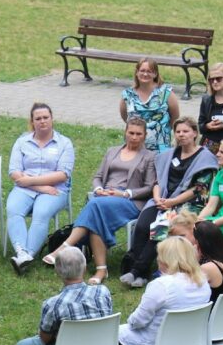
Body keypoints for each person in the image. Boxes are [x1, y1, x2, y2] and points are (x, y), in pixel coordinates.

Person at [42, 117, 156, 285]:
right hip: (104, 198)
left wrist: (124, 194)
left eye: (138, 134)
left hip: (129, 201)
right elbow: (98, 177)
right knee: (97, 213)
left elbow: (149, 187)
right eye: (131, 133)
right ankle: (101, 270)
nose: (134, 137)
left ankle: (65, 247)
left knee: (95, 205)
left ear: (145, 136)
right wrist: (98, 189)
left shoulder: (150, 157)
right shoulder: (112, 151)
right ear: (125, 132)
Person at [121, 118, 217, 288]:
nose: (181, 135)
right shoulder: (167, 155)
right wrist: (158, 198)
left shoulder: (205, 158)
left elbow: (199, 189)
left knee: (159, 229)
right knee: (143, 226)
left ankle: (138, 271)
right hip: (162, 200)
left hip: (188, 204)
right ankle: (138, 270)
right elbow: (156, 181)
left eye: (185, 131)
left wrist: (173, 202)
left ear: (195, 133)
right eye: (178, 131)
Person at [119, 236, 211, 345]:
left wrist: (130, 321)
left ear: (167, 259)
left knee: (114, 337)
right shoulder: (203, 281)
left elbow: (139, 320)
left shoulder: (162, 285)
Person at [7, 103, 75, 274]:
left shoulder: (64, 143)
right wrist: (40, 187)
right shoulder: (22, 142)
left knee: (41, 213)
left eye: (46, 117)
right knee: (13, 209)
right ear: (32, 122)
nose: (42, 121)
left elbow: (62, 175)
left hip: (55, 190)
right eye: (38, 118)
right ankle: (22, 252)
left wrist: (31, 181)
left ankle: (26, 255)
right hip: (28, 188)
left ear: (52, 119)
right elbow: (14, 171)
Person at [119, 58, 180, 152]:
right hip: (134, 145)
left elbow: (175, 118)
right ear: (137, 72)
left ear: (155, 74)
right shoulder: (127, 94)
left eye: (149, 71)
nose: (145, 74)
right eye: (142, 71)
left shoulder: (166, 93)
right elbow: (125, 117)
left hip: (160, 147)